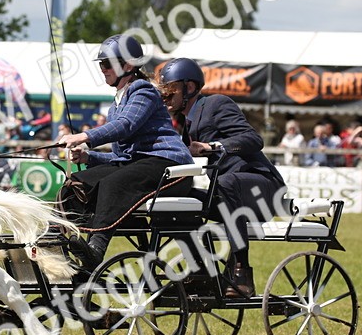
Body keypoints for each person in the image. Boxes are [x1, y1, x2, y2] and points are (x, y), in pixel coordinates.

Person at [56, 35, 191, 276]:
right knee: (77, 182)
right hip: (143, 165)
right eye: (101, 65)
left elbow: (126, 125)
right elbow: (123, 159)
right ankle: (68, 241)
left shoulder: (143, 90)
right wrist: (89, 158)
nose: (103, 70)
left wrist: (84, 137)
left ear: (128, 66)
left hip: (169, 166)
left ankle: (95, 251)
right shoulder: (116, 104)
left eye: (107, 64)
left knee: (112, 183)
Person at [158, 56, 285, 297]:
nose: (165, 97)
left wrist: (212, 147)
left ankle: (242, 271)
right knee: (178, 200)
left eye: (170, 90)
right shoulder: (187, 122)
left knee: (225, 183)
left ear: (190, 87)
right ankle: (201, 271)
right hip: (231, 195)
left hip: (261, 189)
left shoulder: (216, 104)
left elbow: (253, 140)